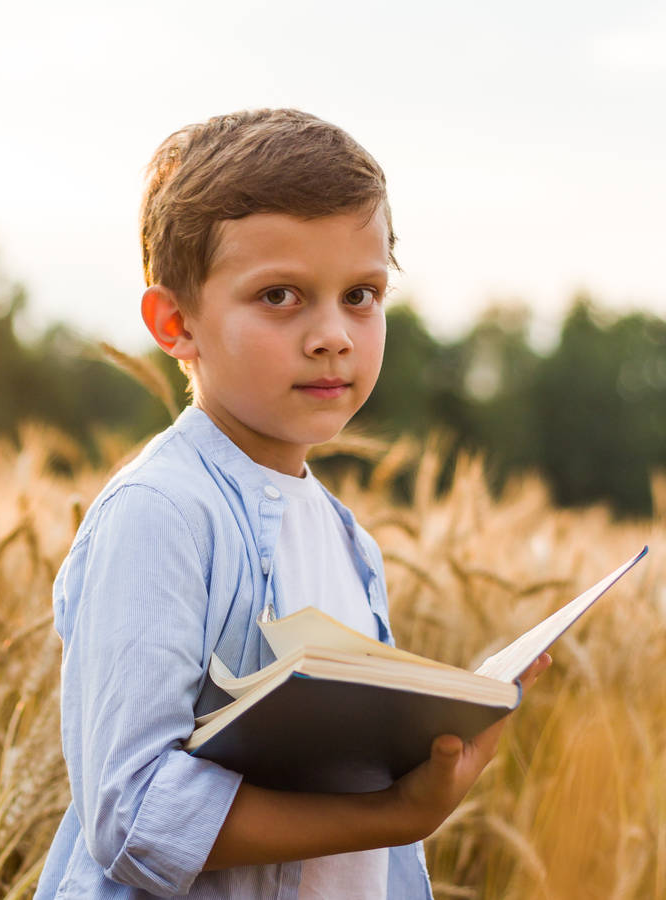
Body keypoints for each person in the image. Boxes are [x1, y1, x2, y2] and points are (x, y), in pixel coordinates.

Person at [35, 108, 550, 899]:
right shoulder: (161, 514)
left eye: (362, 294)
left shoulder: (349, 542)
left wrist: (441, 740)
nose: (333, 335)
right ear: (175, 322)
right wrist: (392, 814)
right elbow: (135, 816)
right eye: (281, 295)